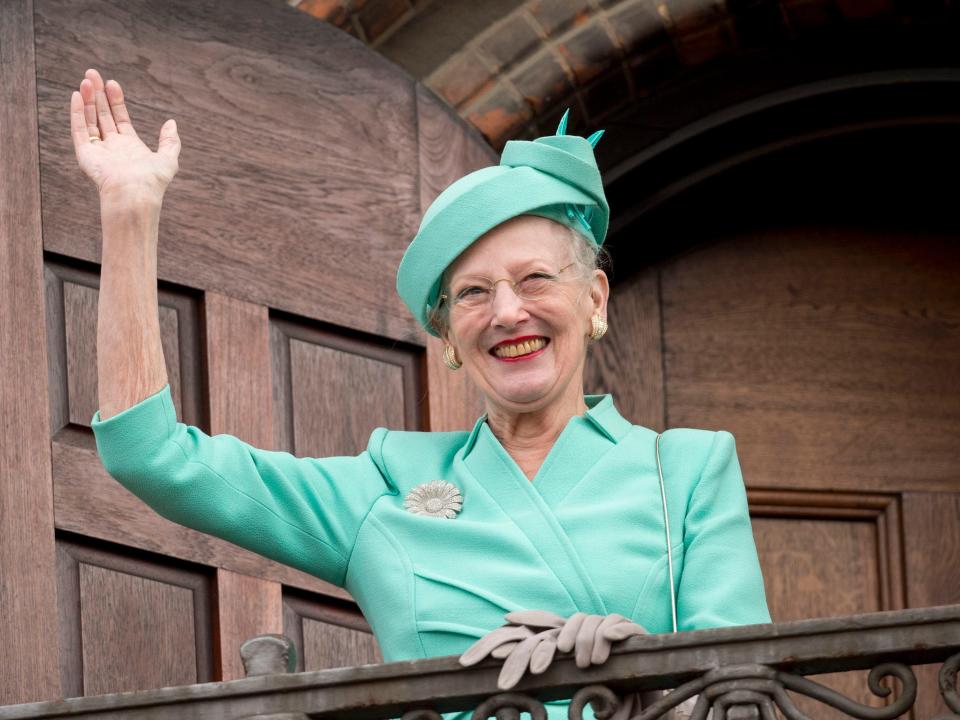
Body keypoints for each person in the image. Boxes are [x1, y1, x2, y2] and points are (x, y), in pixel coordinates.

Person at [71, 67, 770, 716]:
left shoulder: (686, 470)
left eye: (534, 280)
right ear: (447, 339)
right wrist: (130, 218)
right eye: (472, 294)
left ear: (593, 300)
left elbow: (742, 696)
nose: (506, 313)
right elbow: (151, 456)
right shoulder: (386, 487)